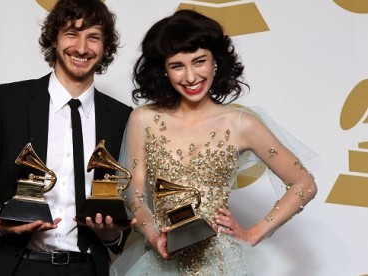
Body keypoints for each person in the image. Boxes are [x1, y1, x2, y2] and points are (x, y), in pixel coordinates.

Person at [110, 9, 318, 275]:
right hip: (159, 260)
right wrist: (153, 237)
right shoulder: (144, 119)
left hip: (219, 263)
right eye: (177, 66)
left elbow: (304, 184)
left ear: (215, 61)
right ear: (163, 70)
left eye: (199, 61)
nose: (191, 77)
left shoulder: (242, 123)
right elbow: (135, 197)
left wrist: (254, 233)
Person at [0, 0, 135, 275]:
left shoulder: (122, 117)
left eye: (93, 37)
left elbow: (122, 204)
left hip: (88, 268)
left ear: (105, 47)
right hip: (17, 266)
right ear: (54, 38)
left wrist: (111, 234)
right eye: (71, 33)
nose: (81, 48)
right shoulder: (7, 102)